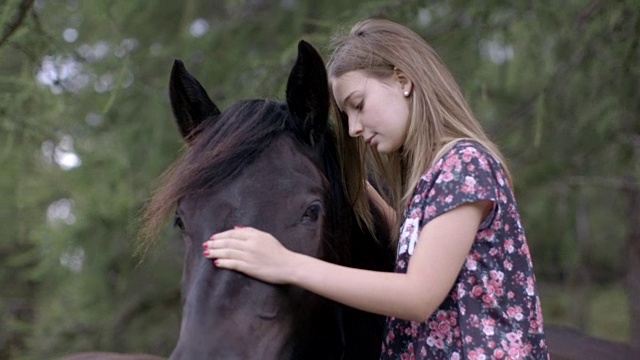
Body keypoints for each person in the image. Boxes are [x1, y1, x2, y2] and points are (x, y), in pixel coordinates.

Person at [203, 18, 549, 359]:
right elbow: (407, 243)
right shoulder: (436, 177)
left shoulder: (465, 165)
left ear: (402, 79)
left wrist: (286, 263)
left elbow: (418, 296)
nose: (353, 128)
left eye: (358, 105)